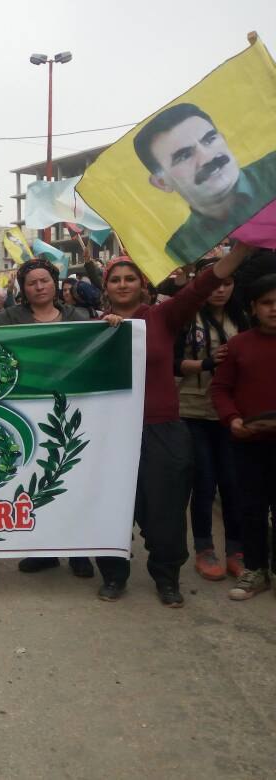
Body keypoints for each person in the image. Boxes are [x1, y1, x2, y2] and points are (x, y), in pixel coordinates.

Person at [94, 242, 253, 606]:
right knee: (111, 505)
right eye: (115, 279)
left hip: (162, 428)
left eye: (129, 278)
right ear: (106, 288)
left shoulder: (162, 317)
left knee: (166, 508)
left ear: (142, 284)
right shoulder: (93, 327)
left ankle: (167, 577)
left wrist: (241, 251)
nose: (122, 284)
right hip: (111, 433)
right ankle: (113, 574)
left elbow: (202, 285)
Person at [0, 258, 97, 580]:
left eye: (44, 281)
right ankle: (45, 550)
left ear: (55, 283)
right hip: (29, 411)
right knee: (39, 477)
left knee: (73, 477)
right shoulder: (9, 318)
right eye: (31, 283)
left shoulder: (79, 317)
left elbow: (100, 342)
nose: (39, 287)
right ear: (23, 289)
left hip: (73, 409)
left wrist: (113, 324)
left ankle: (79, 551)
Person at [175, 259, 249, 580]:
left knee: (232, 482)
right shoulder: (185, 318)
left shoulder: (242, 318)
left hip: (232, 413)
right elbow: (172, 363)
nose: (220, 290)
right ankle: (204, 548)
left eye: (227, 284)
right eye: (214, 283)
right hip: (192, 411)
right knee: (204, 482)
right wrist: (206, 364)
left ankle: (236, 549)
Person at [132, 103, 276, 264]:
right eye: (184, 156)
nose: (207, 157)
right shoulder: (182, 248)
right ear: (162, 182)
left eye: (210, 139)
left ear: (224, 139)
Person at [211, 273, 276, 600]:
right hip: (248, 443)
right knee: (251, 509)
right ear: (253, 307)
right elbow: (221, 389)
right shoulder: (238, 345)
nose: (274, 309)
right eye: (267, 303)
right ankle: (255, 570)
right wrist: (232, 418)